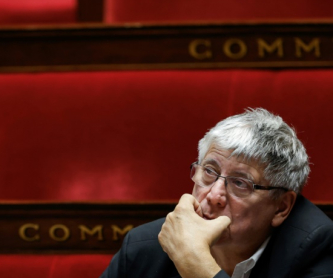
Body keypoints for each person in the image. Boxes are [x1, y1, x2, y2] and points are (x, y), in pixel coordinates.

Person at [100, 108, 333, 278]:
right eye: (210, 171)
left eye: (241, 183)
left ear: (281, 207)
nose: (213, 195)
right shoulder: (147, 247)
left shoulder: (315, 251)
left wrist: (196, 266)